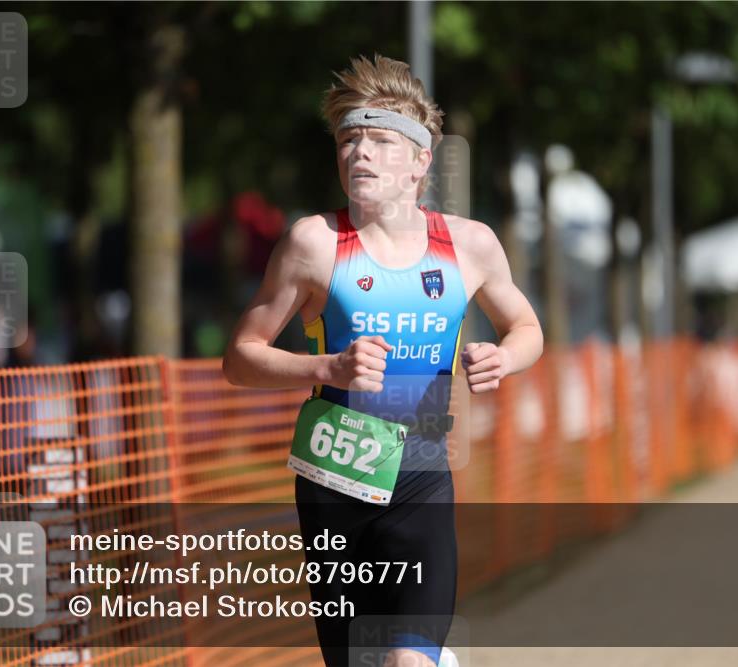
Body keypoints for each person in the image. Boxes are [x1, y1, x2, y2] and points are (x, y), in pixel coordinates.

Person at [223, 54, 543, 667]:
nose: (359, 153)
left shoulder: (469, 245)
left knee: (405, 660)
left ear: (421, 160)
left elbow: (527, 327)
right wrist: (324, 369)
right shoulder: (313, 244)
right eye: (347, 139)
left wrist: (503, 358)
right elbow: (240, 358)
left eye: (378, 140)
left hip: (422, 477)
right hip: (332, 484)